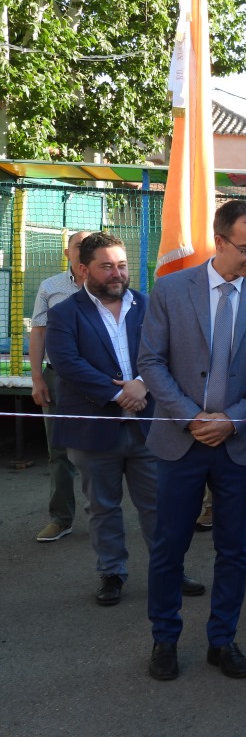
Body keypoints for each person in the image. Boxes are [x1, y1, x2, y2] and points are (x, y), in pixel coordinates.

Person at [140, 200, 246, 681]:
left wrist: (233, 419)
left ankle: (222, 640)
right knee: (169, 546)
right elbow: (151, 363)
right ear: (219, 241)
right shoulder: (170, 290)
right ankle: (165, 638)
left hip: (236, 444)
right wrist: (190, 416)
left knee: (232, 550)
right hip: (180, 444)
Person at [46, 232, 204, 606]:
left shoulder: (150, 307)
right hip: (93, 428)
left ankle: (169, 570)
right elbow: (68, 364)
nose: (116, 274)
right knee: (102, 507)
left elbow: (172, 353)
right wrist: (119, 392)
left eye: (121, 265)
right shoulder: (64, 313)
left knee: (159, 505)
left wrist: (142, 386)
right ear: (83, 269)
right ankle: (112, 573)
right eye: (106, 266)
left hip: (150, 425)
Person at [29, 229, 89, 542]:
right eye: (79, 246)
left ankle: (102, 517)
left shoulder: (108, 284)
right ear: (67, 253)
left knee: (102, 449)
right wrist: (37, 377)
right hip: (58, 377)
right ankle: (61, 518)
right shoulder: (51, 287)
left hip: (98, 380)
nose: (85, 250)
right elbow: (38, 333)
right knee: (58, 450)